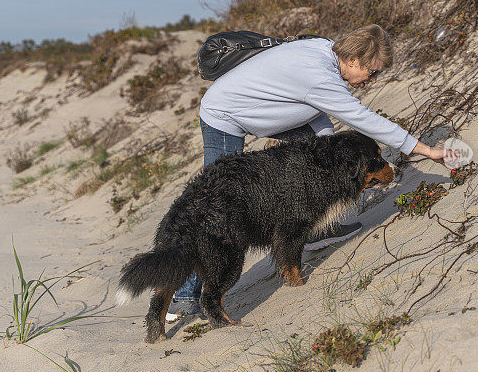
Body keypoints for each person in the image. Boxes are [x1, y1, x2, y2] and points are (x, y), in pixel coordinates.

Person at [166, 24, 457, 321]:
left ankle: (319, 227)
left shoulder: (326, 50)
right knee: (211, 211)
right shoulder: (320, 77)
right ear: (354, 61)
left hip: (264, 115)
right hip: (224, 116)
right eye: (373, 72)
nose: (372, 79)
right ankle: (185, 296)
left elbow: (320, 124)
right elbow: (364, 120)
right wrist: (425, 150)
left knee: (320, 157)